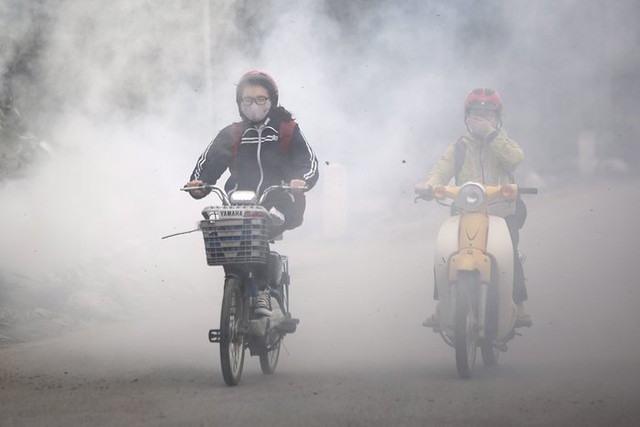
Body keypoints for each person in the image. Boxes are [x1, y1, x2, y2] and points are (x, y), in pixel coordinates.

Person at [184, 70, 319, 316]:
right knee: (223, 229)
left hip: (280, 198)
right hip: (239, 199)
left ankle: (263, 290)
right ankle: (234, 288)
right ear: (239, 104)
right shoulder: (233, 133)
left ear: (272, 101)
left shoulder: (287, 130)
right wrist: (199, 183)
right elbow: (209, 163)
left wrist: (300, 180)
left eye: (260, 99)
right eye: (247, 100)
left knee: (264, 222)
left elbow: (307, 162)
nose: (254, 105)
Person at [415, 88, 531, 327]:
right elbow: (440, 170)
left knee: (510, 255)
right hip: (464, 213)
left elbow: (515, 158)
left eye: (487, 114)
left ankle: (519, 307)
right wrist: (428, 185)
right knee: (445, 253)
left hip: (501, 212)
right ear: (467, 116)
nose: (481, 118)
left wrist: (490, 135)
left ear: (497, 118)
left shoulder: (502, 143)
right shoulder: (459, 147)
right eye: (476, 113)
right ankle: (443, 307)